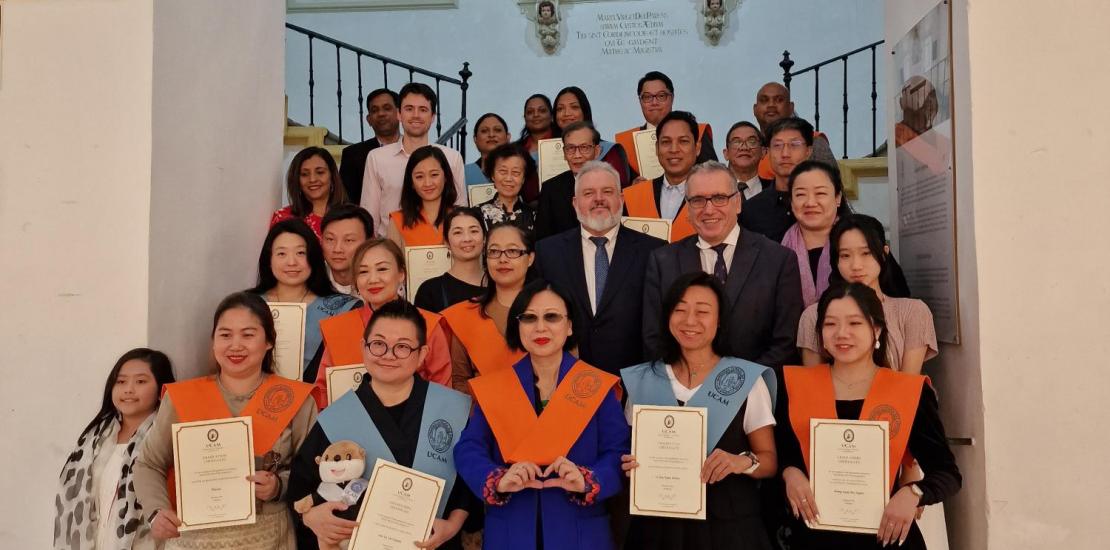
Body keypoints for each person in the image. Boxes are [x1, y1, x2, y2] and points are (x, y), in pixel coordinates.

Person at [777, 282, 961, 549]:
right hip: (813, 536)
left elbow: (947, 474)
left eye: (854, 323)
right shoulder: (795, 385)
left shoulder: (908, 391)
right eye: (830, 324)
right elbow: (781, 453)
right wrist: (790, 472)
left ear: (876, 329)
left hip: (886, 537)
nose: (842, 334)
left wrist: (912, 493)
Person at [454, 280, 630, 549]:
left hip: (581, 532)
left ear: (569, 326)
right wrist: (497, 479)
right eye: (529, 318)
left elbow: (618, 453)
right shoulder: (497, 387)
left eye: (552, 317)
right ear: (518, 326)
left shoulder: (597, 385)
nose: (540, 327)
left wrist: (587, 479)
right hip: (511, 530)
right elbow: (468, 449)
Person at [135, 292, 318, 549]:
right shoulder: (182, 398)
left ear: (268, 341)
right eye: (225, 335)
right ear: (213, 341)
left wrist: (278, 486)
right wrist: (156, 510)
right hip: (193, 540)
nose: (235, 345)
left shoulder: (295, 400)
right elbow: (149, 463)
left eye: (248, 334)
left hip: (268, 539)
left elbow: (312, 472)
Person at [289, 300, 475, 550]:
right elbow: (300, 488)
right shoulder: (336, 418)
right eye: (378, 344)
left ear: (422, 354)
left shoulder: (452, 409)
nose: (388, 355)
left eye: (402, 347)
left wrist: (452, 525)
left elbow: (468, 482)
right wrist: (311, 517)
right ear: (363, 348)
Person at [621, 272, 778, 549]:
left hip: (728, 529)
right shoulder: (644, 379)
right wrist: (628, 464)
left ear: (719, 322)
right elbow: (627, 452)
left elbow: (769, 462)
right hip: (657, 528)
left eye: (702, 311)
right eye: (679, 310)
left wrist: (741, 462)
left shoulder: (744, 378)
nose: (689, 320)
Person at [643, 161, 802, 370]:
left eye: (719, 198)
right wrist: (687, 384)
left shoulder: (779, 260)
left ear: (737, 203)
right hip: (682, 395)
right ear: (688, 209)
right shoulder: (663, 261)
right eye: (698, 200)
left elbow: (785, 342)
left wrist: (736, 388)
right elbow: (654, 338)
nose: (709, 210)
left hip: (753, 393)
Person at [535, 161, 665, 375]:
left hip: (634, 382)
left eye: (607, 191)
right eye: (588, 193)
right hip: (565, 380)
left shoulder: (654, 251)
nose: (598, 199)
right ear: (575, 203)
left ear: (621, 199)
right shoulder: (547, 252)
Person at [54, 348, 176, 550]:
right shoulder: (93, 440)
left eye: (141, 381)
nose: (128, 389)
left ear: (161, 389)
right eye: (121, 381)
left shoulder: (167, 439)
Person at [312, 238, 452, 409]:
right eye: (363, 272)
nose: (373, 279)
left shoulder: (428, 324)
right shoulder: (339, 328)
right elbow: (323, 391)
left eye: (382, 269)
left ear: (401, 274)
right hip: (350, 427)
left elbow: (442, 387)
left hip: (413, 426)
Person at [797, 214, 937, 374]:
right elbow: (812, 387)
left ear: (884, 254)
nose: (856, 265)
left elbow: (909, 386)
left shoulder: (913, 312)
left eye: (866, 253)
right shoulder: (813, 316)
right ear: (835, 261)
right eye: (845, 255)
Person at [250, 219, 360, 385]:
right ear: (268, 259)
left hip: (318, 404)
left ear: (314, 257)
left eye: (300, 253)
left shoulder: (344, 308)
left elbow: (348, 376)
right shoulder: (248, 305)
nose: (292, 262)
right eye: (281, 254)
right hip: (255, 400)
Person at [362, 82, 466, 234]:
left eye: (423, 110)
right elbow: (369, 217)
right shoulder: (377, 158)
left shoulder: (452, 158)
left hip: (441, 247)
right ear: (399, 114)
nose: (416, 115)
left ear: (433, 117)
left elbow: (460, 211)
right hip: (391, 249)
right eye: (409, 109)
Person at [442, 223, 531, 393]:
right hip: (481, 415)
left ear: (530, 258)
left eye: (512, 251)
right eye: (494, 251)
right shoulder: (466, 315)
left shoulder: (551, 311)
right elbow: (458, 380)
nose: (502, 259)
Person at [615, 71, 717, 178]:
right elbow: (619, 187)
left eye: (661, 96)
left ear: (672, 98)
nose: (654, 102)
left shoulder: (697, 132)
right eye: (647, 97)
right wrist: (633, 185)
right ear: (640, 101)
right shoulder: (626, 142)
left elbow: (715, 176)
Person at [622, 110, 702, 242]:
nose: (674, 149)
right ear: (656, 148)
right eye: (666, 142)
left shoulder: (713, 196)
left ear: (697, 147)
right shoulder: (633, 195)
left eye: (683, 141)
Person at [780, 160, 852, 308]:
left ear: (837, 198)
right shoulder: (777, 251)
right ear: (792, 202)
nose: (810, 202)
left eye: (820, 193)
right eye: (800, 194)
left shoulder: (862, 240)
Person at [741, 117, 816, 243]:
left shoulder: (823, 202)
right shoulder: (749, 211)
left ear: (808, 151)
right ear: (768, 152)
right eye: (777, 145)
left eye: (794, 145)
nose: (785, 153)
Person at [751, 82, 837, 180]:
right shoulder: (747, 148)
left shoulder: (812, 141)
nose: (771, 105)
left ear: (791, 107)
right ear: (755, 109)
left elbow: (832, 187)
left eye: (779, 100)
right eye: (764, 100)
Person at [552, 86, 633, 187]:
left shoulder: (609, 151)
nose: (567, 113)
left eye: (574, 107)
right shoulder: (545, 151)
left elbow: (620, 188)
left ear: (584, 111)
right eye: (560, 109)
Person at [534, 121, 601, 240]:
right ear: (564, 153)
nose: (577, 155)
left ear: (596, 151)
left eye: (584, 147)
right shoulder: (551, 189)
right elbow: (542, 241)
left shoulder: (612, 185)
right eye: (570, 148)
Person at [414, 207, 487, 313]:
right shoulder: (430, 291)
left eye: (474, 231)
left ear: (484, 238)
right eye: (458, 232)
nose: (467, 238)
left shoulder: (499, 285)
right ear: (446, 242)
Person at [385, 145, 458, 249]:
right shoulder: (398, 221)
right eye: (419, 177)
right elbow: (392, 263)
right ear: (412, 183)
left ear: (446, 176)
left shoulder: (461, 217)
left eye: (434, 175)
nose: (427, 183)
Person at [272, 146, 349, 238]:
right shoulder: (283, 218)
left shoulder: (352, 217)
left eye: (320, 172)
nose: (312, 179)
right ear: (297, 180)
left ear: (332, 176)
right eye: (304, 174)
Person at [340, 88, 401, 203]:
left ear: (399, 114)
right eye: (374, 110)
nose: (381, 114)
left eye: (387, 108)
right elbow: (347, 201)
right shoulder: (352, 155)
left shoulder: (416, 150)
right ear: (369, 120)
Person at [478, 143, 536, 233]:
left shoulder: (535, 215)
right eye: (503, 171)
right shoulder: (477, 213)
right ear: (492, 175)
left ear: (524, 178)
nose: (509, 178)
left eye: (516, 172)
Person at [320, 204, 374, 295]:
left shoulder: (380, 280)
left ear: (368, 243)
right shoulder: (309, 279)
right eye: (330, 239)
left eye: (348, 240)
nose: (337, 249)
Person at [513, 93, 556, 203]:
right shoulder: (515, 150)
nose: (536, 115)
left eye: (542, 110)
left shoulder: (564, 143)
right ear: (525, 118)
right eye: (530, 112)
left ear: (551, 115)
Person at [722, 121, 770, 199]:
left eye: (751, 142)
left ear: (763, 152)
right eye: (737, 142)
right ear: (726, 154)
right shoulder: (711, 188)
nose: (744, 148)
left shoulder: (776, 190)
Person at [467, 113, 511, 186]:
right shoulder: (465, 173)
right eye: (484, 131)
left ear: (508, 137)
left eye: (497, 130)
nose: (491, 135)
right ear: (475, 139)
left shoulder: (520, 170)